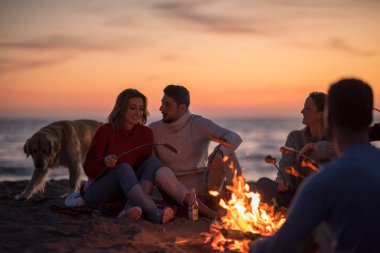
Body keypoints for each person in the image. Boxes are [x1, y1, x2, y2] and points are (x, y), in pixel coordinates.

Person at [250, 78, 380, 253]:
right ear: (370, 119)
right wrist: (283, 179)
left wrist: (251, 246)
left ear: (327, 118)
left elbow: (277, 247)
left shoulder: (325, 181)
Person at [149, 84, 243, 219]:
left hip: (204, 185)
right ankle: (209, 214)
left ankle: (240, 202)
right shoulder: (154, 129)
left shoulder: (199, 124)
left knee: (228, 152)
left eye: (167, 105)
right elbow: (151, 164)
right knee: (160, 172)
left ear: (182, 108)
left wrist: (220, 154)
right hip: (175, 188)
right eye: (162, 103)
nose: (161, 108)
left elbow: (234, 137)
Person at [83, 88, 174, 224]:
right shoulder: (105, 131)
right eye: (132, 108)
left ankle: (129, 208)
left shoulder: (146, 133)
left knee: (153, 162)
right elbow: (88, 168)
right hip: (99, 190)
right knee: (123, 168)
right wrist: (104, 162)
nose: (138, 113)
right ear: (121, 108)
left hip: (129, 190)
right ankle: (154, 212)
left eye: (141, 109)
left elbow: (144, 171)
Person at [256, 91, 336, 207]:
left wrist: (314, 146)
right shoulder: (295, 137)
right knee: (263, 183)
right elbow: (284, 165)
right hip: (294, 194)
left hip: (321, 197)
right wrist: (283, 181)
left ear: (321, 114)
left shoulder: (335, 137)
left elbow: (347, 149)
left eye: (307, 109)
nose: (302, 111)